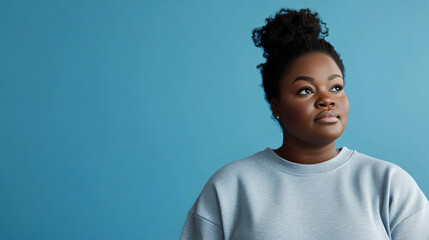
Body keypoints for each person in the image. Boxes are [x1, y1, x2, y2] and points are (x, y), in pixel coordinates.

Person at [180, 8, 429, 240]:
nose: (326, 100)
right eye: (305, 90)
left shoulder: (389, 183)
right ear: (276, 106)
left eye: (336, 87)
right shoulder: (230, 187)